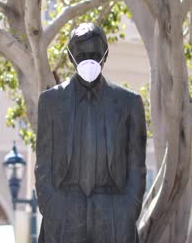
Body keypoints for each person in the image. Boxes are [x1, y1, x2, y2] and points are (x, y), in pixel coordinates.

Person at [35, 22, 147, 243]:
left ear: (105, 56)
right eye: (82, 55)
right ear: (70, 56)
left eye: (95, 55)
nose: (89, 61)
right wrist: (53, 207)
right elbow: (43, 165)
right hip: (65, 214)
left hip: (113, 214)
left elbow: (137, 167)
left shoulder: (129, 103)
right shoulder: (50, 102)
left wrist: (127, 211)